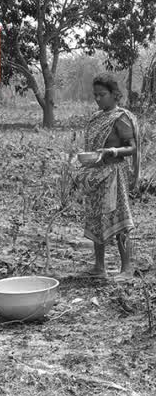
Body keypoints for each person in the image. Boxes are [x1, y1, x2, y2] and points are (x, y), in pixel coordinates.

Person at [77, 74, 140, 281]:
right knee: (96, 218)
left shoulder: (121, 118)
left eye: (102, 95)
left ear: (115, 95)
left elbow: (132, 147)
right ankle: (99, 267)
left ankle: (127, 268)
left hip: (114, 174)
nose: (98, 99)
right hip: (97, 175)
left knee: (118, 218)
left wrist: (112, 151)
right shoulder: (97, 118)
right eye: (95, 95)